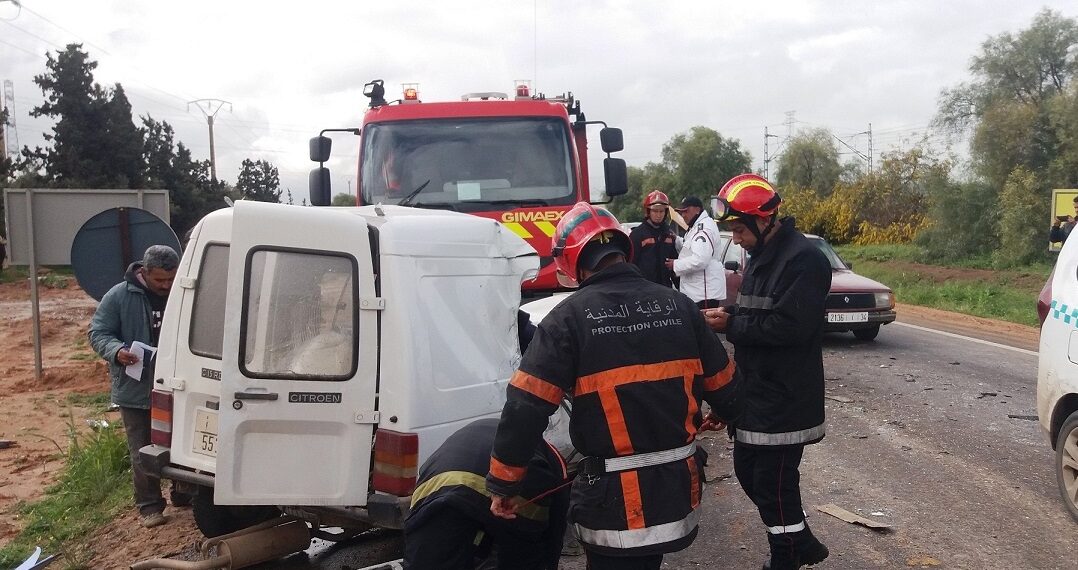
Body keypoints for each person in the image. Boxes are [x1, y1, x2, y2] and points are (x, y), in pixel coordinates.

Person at [486, 202, 741, 570]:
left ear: (571, 261)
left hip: (611, 505)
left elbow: (525, 407)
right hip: (675, 492)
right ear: (625, 249)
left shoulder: (565, 321)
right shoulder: (680, 306)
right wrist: (724, 412)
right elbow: (726, 387)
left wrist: (504, 484)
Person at [702, 174, 831, 570]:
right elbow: (760, 310)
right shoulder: (763, 255)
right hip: (756, 391)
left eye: (740, 230)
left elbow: (790, 327)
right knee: (748, 471)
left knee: (773, 483)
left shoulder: (805, 260)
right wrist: (730, 314)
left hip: (785, 396)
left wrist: (731, 325)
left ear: (763, 220)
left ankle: (786, 556)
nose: (736, 239)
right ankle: (802, 541)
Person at [88, 245, 188, 528]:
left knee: (181, 442)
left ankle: (183, 493)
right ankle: (150, 506)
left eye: (171, 279)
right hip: (136, 389)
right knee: (142, 449)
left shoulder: (184, 290)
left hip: (178, 384)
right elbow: (98, 332)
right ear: (144, 272)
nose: (166, 286)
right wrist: (116, 351)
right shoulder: (119, 296)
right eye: (160, 280)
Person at [404, 418, 569, 570]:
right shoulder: (553, 462)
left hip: (441, 485)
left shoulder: (540, 455)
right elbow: (553, 537)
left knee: (429, 557)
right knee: (524, 555)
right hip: (512, 488)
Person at [667, 196, 725, 309]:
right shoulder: (697, 226)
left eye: (686, 211)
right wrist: (677, 239)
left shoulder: (703, 229)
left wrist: (675, 264)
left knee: (704, 320)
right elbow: (691, 248)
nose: (683, 215)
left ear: (697, 210)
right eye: (681, 212)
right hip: (699, 291)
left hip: (704, 294)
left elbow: (700, 260)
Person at [629, 190, 678, 288]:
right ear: (648, 212)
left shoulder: (669, 234)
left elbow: (674, 264)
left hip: (665, 289)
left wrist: (680, 287)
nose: (658, 215)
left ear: (666, 212)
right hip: (645, 289)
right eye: (655, 211)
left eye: (661, 211)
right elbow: (631, 264)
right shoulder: (637, 234)